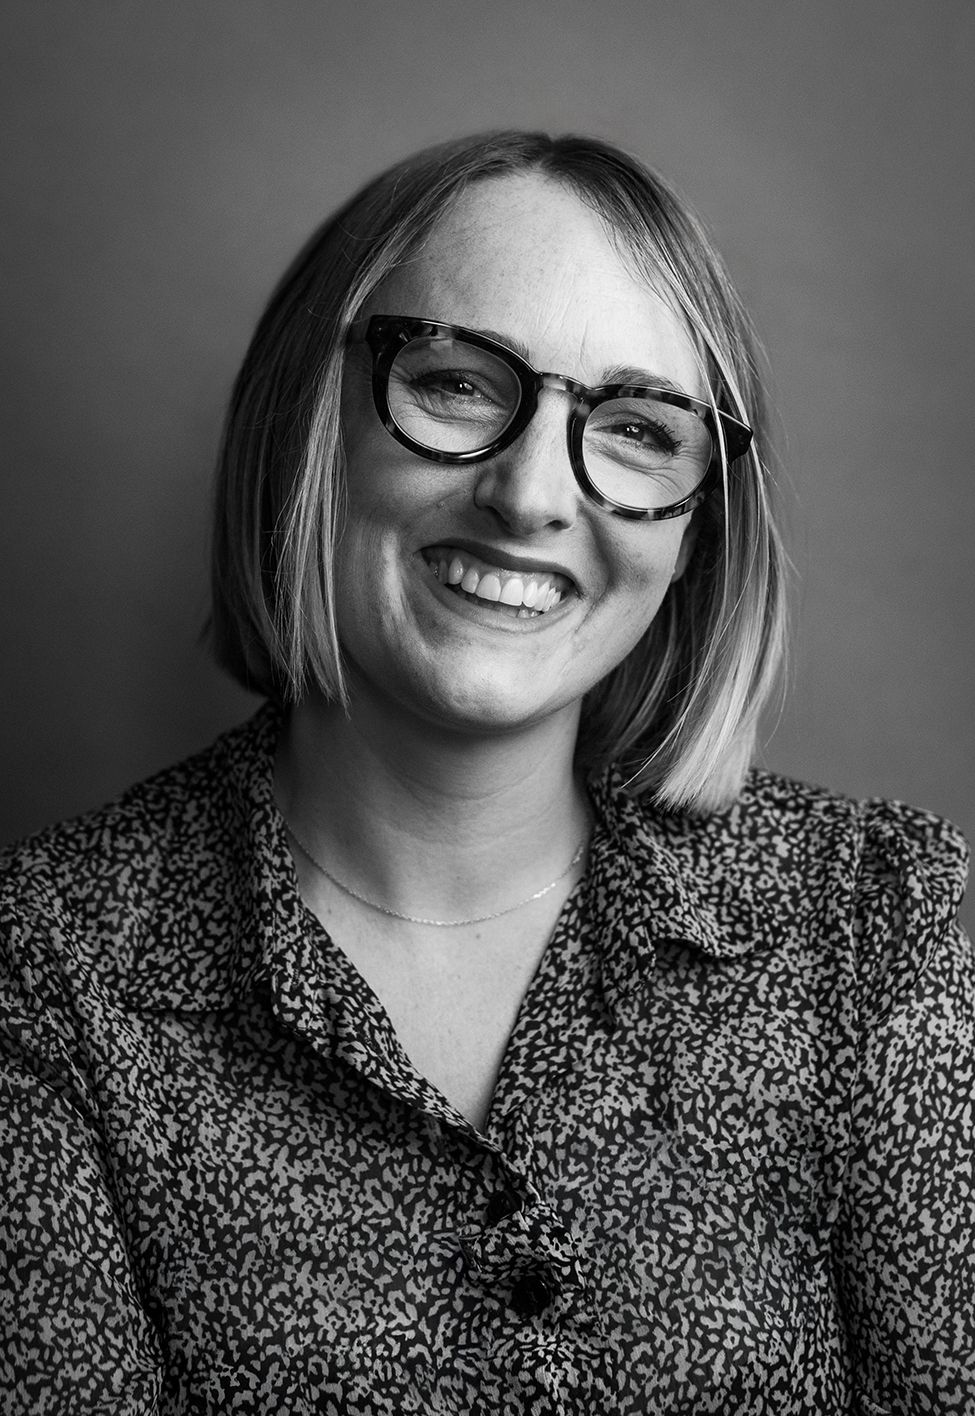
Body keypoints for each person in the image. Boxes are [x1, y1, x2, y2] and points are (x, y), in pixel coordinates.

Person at [0, 131, 971, 1415]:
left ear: (696, 532)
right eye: (459, 383)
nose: (530, 497)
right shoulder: (51, 975)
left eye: (638, 429)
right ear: (311, 418)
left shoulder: (869, 925)